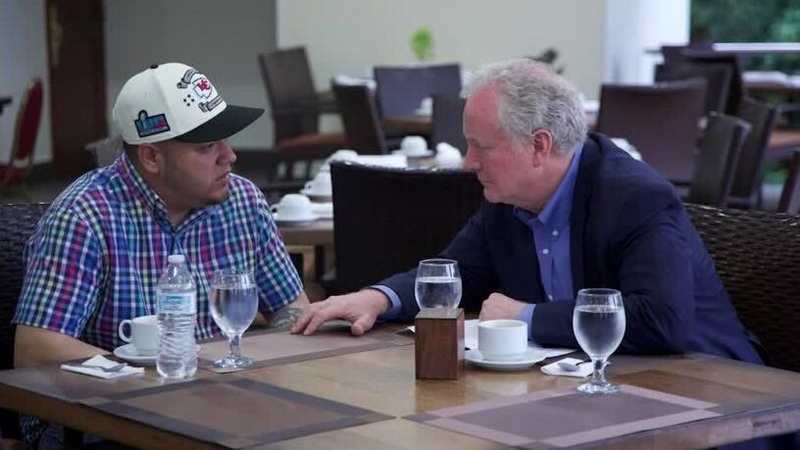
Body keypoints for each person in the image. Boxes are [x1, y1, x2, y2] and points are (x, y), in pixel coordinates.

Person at [292, 58, 763, 366]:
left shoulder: (634, 198)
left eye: (480, 147)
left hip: (710, 392)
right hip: (596, 388)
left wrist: (528, 317)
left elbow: (661, 320)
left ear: (539, 146)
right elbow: (455, 273)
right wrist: (378, 298)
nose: (468, 162)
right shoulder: (508, 198)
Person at [13, 62, 308, 447]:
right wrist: (156, 382)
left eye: (226, 140)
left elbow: (293, 308)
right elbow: (36, 349)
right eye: (207, 146)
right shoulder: (85, 216)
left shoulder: (243, 201)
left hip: (223, 407)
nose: (230, 156)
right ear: (152, 157)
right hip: (102, 419)